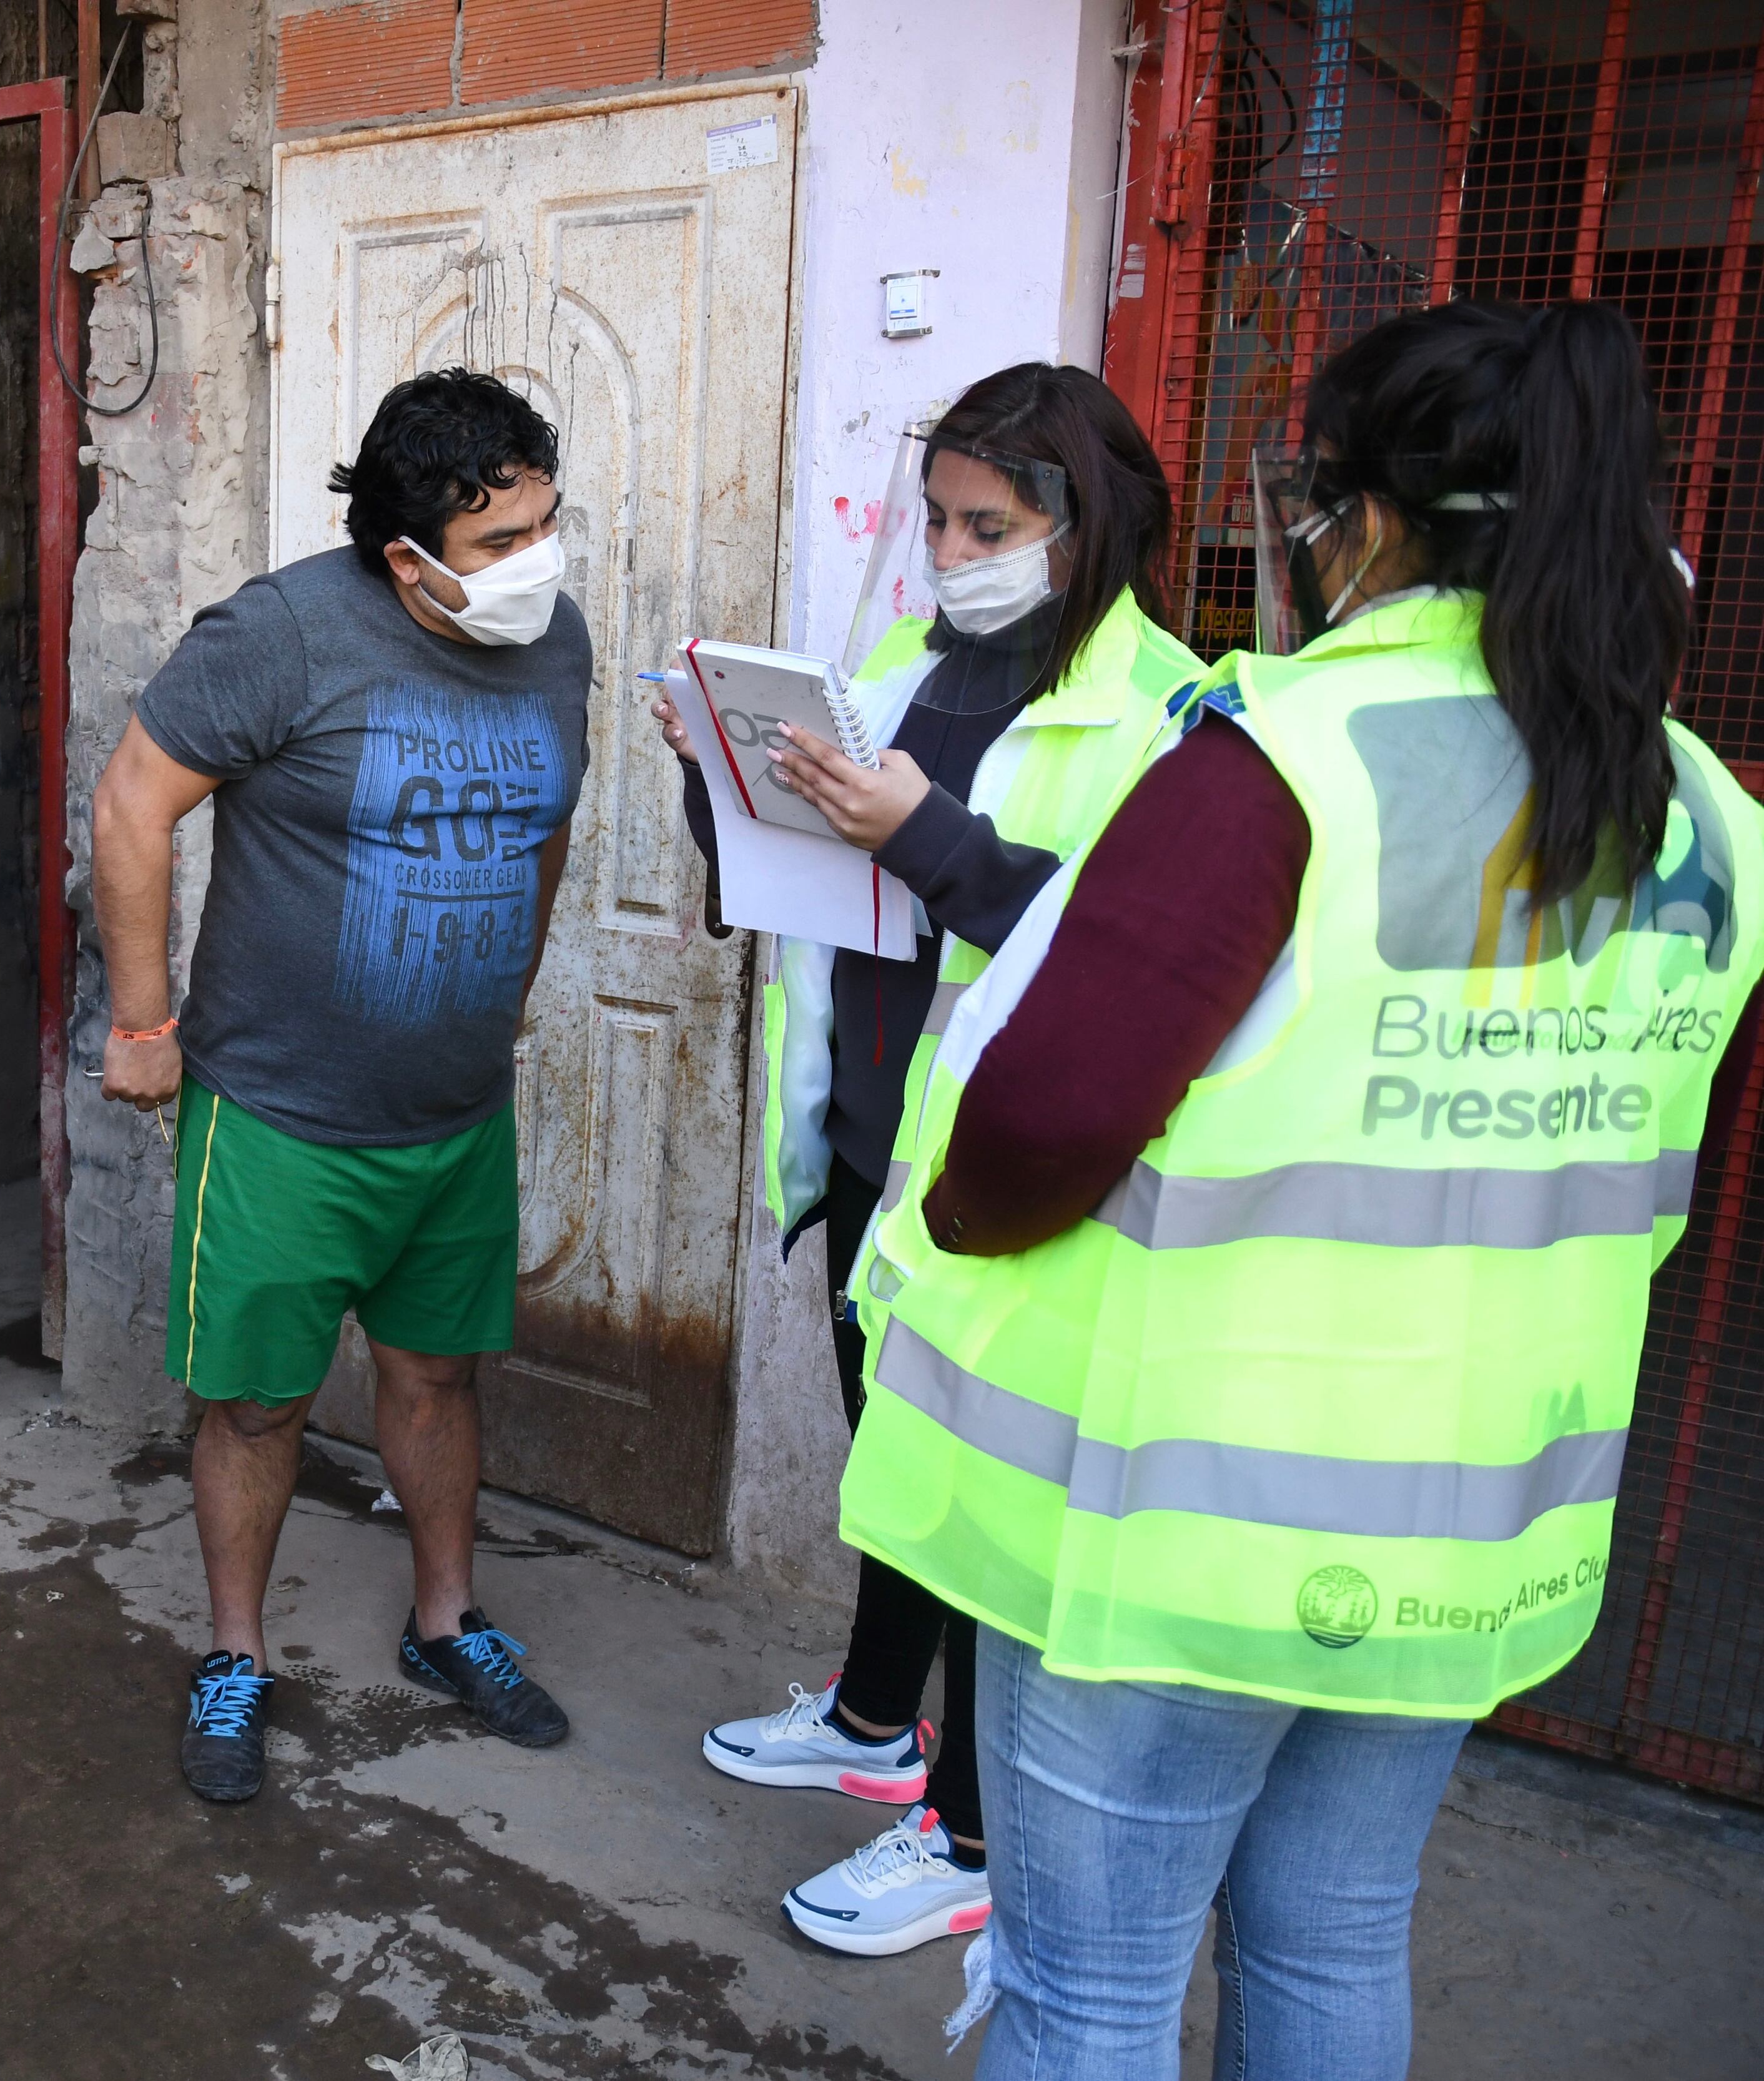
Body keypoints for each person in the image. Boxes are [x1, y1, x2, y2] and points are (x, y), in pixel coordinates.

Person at [840, 298, 1764, 2077]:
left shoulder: (1280, 765)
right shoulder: (1705, 809)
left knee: (1091, 1990)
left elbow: (1042, 1121)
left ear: (1370, 518)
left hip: (1183, 1527)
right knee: (1335, 1934)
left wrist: (946, 1213)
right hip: (1475, 1512)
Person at [658, 364, 1200, 1955]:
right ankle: (875, 1716)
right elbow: (800, 880)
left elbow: (1134, 966)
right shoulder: (901, 664)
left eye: (991, 525)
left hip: (1002, 1189)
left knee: (976, 1505)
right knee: (897, 1473)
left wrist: (927, 834)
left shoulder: (1173, 712)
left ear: (1081, 525)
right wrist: (720, 771)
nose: (953, 553)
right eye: (940, 518)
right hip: (867, 1149)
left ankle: (970, 1830)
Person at [91, 367, 590, 1803]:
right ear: (406, 555)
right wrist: (143, 1022)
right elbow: (132, 801)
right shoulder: (283, 634)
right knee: (258, 1404)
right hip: (282, 1117)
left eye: (547, 526)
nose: (535, 566)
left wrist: (510, 987)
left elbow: (547, 821)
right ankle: (238, 1653)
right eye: (502, 544)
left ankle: (447, 1622)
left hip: (452, 1113)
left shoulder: (556, 645)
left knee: (437, 1375)